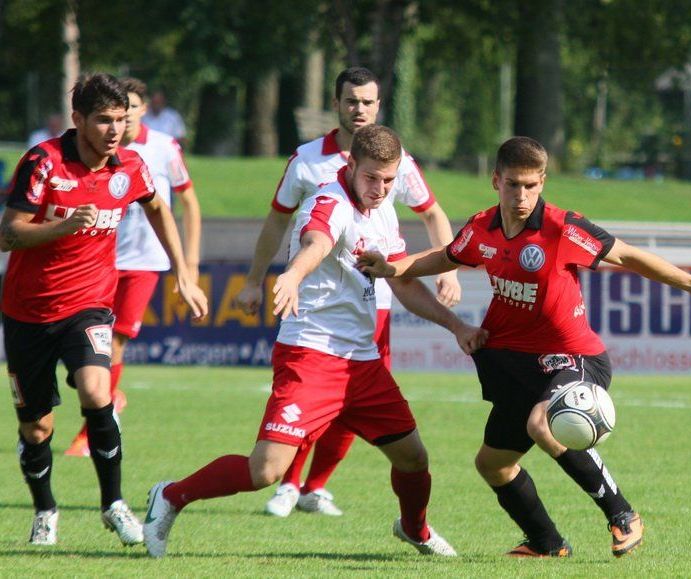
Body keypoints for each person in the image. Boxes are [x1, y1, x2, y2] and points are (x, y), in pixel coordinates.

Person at [356, 136, 691, 558]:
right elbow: (447, 256)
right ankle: (547, 543)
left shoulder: (563, 228)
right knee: (492, 464)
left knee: (542, 422)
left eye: (531, 186)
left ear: (543, 182)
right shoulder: (483, 228)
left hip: (576, 358)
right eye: (513, 184)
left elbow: (627, 256)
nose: (522, 195)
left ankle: (623, 514)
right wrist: (395, 266)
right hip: (516, 364)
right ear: (495, 180)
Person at [143, 124, 486, 559]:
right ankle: (171, 496)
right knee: (265, 470)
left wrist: (456, 325)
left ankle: (415, 529)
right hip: (311, 355)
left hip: (361, 362)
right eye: (371, 178)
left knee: (414, 458)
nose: (380, 189)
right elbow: (316, 242)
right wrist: (292, 274)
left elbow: (400, 282)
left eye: (389, 180)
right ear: (349, 165)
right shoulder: (328, 202)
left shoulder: (382, 210)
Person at [235, 66, 462, 518]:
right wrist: (255, 279)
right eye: (351, 101)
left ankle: (315, 485)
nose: (359, 109)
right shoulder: (306, 160)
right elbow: (281, 221)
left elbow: (432, 212)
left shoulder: (397, 160)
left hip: (377, 296)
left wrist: (448, 266)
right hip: (318, 300)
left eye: (368, 102)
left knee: (354, 400)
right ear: (336, 104)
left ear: (379, 106)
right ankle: (290, 482)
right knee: (320, 395)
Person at [1, 72, 208, 547]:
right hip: (28, 311)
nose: (115, 129)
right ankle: (45, 509)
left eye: (122, 119)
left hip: (90, 304)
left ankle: (113, 503)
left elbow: (159, 207)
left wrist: (182, 271)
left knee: (97, 393)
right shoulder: (43, 162)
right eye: (103, 120)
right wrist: (64, 226)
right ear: (78, 120)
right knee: (36, 427)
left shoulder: (129, 166)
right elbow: (7, 232)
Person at [63, 77, 202, 457]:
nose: (126, 120)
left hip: (145, 261)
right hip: (100, 258)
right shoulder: (95, 151)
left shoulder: (162, 147)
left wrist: (187, 262)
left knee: (115, 341)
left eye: (133, 110)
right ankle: (110, 397)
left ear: (139, 112)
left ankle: (92, 428)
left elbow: (187, 201)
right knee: (82, 347)